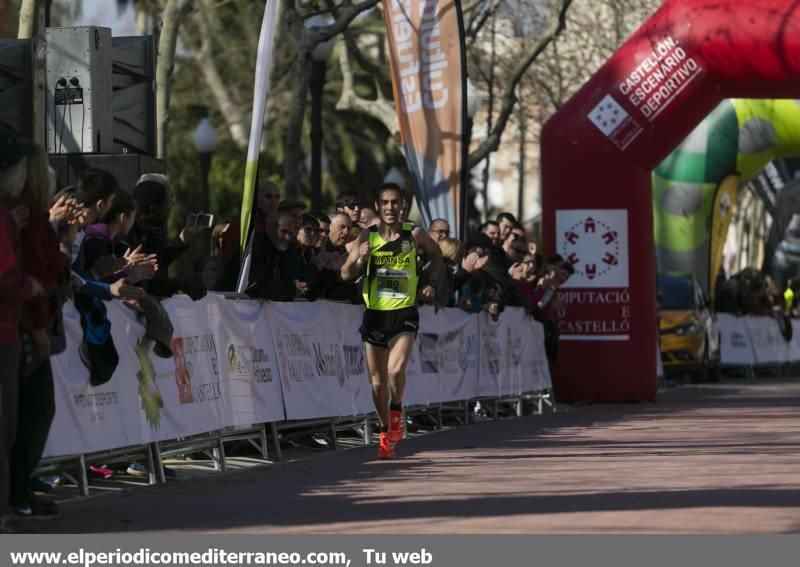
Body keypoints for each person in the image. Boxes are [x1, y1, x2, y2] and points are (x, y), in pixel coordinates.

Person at [340, 182, 443, 460]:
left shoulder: (415, 234)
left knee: (396, 371)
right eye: (385, 203)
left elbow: (437, 255)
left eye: (395, 203)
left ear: (402, 207)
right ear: (377, 206)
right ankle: (384, 432)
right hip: (375, 315)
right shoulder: (366, 236)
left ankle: (397, 408)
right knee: (377, 383)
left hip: (404, 312)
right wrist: (360, 261)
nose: (390, 208)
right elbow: (345, 274)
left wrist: (430, 283)